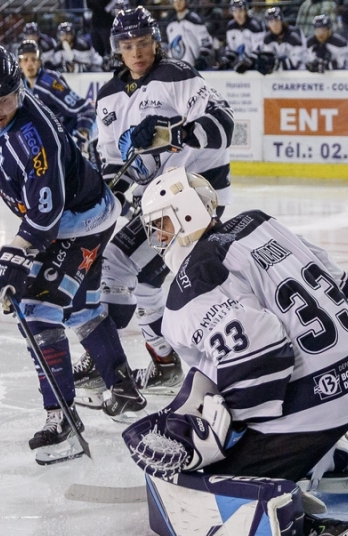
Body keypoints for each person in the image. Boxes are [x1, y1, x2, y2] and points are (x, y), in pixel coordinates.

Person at [121, 167, 348, 536]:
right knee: (219, 376)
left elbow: (263, 353)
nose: (159, 238)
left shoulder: (192, 279)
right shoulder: (258, 222)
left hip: (313, 409)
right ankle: (334, 457)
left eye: (162, 225)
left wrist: (218, 432)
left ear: (184, 217)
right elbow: (332, 275)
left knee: (208, 473)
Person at [0, 46, 147, 465]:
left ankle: (60, 418)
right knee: (79, 309)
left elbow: (46, 217)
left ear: (20, 90)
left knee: (38, 306)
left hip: (79, 221)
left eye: (5, 100)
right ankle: (123, 386)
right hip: (74, 216)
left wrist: (15, 258)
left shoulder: (34, 135)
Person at [78, 6, 235, 403]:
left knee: (116, 263)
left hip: (194, 193)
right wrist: (101, 204)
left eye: (144, 43)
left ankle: (103, 362)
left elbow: (223, 124)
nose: (137, 52)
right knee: (147, 283)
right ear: (117, 49)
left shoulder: (176, 76)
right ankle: (164, 361)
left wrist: (168, 131)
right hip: (154, 200)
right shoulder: (109, 96)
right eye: (128, 46)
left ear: (156, 42)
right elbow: (117, 164)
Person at [16, 40, 96, 152]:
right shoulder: (20, 88)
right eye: (25, 59)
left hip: (68, 140)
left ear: (39, 62)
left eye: (34, 59)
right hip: (51, 144)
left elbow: (86, 109)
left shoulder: (49, 82)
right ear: (19, 64)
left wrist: (81, 134)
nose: (30, 64)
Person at [165, 0, 215, 70]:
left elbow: (206, 42)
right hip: (175, 69)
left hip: (192, 67)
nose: (178, 3)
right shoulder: (170, 23)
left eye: (180, 1)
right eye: (175, 1)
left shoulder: (195, 20)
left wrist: (201, 59)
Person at [219, 0, 264, 72]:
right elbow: (232, 49)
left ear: (246, 11)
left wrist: (247, 63)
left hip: (256, 64)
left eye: (240, 10)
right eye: (235, 11)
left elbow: (258, 49)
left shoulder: (255, 25)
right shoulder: (230, 26)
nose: (238, 14)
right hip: (239, 64)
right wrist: (226, 61)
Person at [257, 7, 305, 74]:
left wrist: (276, 65)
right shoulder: (267, 38)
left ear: (282, 21)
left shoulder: (294, 35)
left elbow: (297, 60)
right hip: (278, 76)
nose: (274, 24)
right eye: (271, 21)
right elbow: (268, 57)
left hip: (300, 74)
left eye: (276, 20)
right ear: (267, 24)